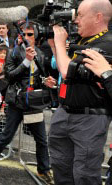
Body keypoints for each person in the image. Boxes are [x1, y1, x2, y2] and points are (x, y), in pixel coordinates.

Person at [48, 0, 112, 184]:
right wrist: (55, 45)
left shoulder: (107, 43)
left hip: (89, 119)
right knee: (60, 167)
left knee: (84, 174)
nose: (76, 20)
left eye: (81, 15)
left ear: (98, 17)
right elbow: (63, 65)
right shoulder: (80, 40)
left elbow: (67, 71)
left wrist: (60, 43)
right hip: (64, 112)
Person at [0, 22, 55, 184]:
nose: (26, 37)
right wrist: (26, 61)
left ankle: (43, 170)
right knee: (6, 136)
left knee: (41, 139)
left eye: (30, 34)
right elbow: (9, 76)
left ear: (36, 36)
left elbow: (38, 78)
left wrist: (46, 81)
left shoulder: (40, 54)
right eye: (24, 34)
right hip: (17, 102)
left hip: (33, 103)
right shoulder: (14, 52)